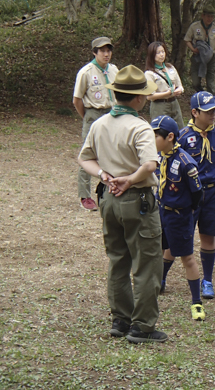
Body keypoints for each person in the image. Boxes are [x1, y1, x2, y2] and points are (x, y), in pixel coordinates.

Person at [78, 65, 167, 343]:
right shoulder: (140, 127)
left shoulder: (99, 123)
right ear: (139, 99)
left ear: (115, 94)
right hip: (136, 200)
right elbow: (150, 164)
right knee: (146, 263)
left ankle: (120, 319)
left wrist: (104, 175)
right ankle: (142, 326)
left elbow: (85, 158)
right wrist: (129, 180)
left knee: (118, 260)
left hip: (107, 199)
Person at [178, 91, 215, 298]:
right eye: (208, 111)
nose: (213, 114)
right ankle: (163, 275)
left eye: (214, 110)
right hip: (190, 194)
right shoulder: (183, 136)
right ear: (195, 112)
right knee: (181, 235)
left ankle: (208, 280)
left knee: (208, 236)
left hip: (211, 192)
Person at [151, 116, 205, 321]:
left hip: (179, 215)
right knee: (165, 248)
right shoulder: (160, 156)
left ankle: (196, 302)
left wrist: (186, 212)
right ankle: (160, 282)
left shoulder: (185, 163)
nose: (152, 139)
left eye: (155, 136)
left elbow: (198, 193)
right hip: (161, 211)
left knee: (187, 257)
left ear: (170, 137)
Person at [73, 37, 119, 211]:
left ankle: (109, 188)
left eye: (108, 51)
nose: (106, 54)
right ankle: (84, 195)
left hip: (112, 113)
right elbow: (77, 99)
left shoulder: (114, 70)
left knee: (112, 151)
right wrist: (87, 116)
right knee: (88, 153)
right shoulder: (86, 72)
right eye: (102, 51)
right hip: (93, 113)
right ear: (94, 52)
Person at [184, 5, 215, 94]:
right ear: (203, 15)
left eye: (212, 17)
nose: (209, 19)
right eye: (208, 16)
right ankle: (201, 94)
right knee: (195, 82)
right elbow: (187, 40)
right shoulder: (195, 26)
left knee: (210, 82)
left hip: (210, 57)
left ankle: (212, 99)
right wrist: (193, 49)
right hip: (197, 56)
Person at [145, 42, 185, 129]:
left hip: (174, 103)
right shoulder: (149, 73)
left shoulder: (170, 67)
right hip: (160, 105)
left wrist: (180, 90)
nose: (161, 55)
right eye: (158, 53)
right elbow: (149, 96)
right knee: (162, 131)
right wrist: (166, 93)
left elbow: (180, 85)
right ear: (152, 55)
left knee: (179, 128)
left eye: (163, 51)